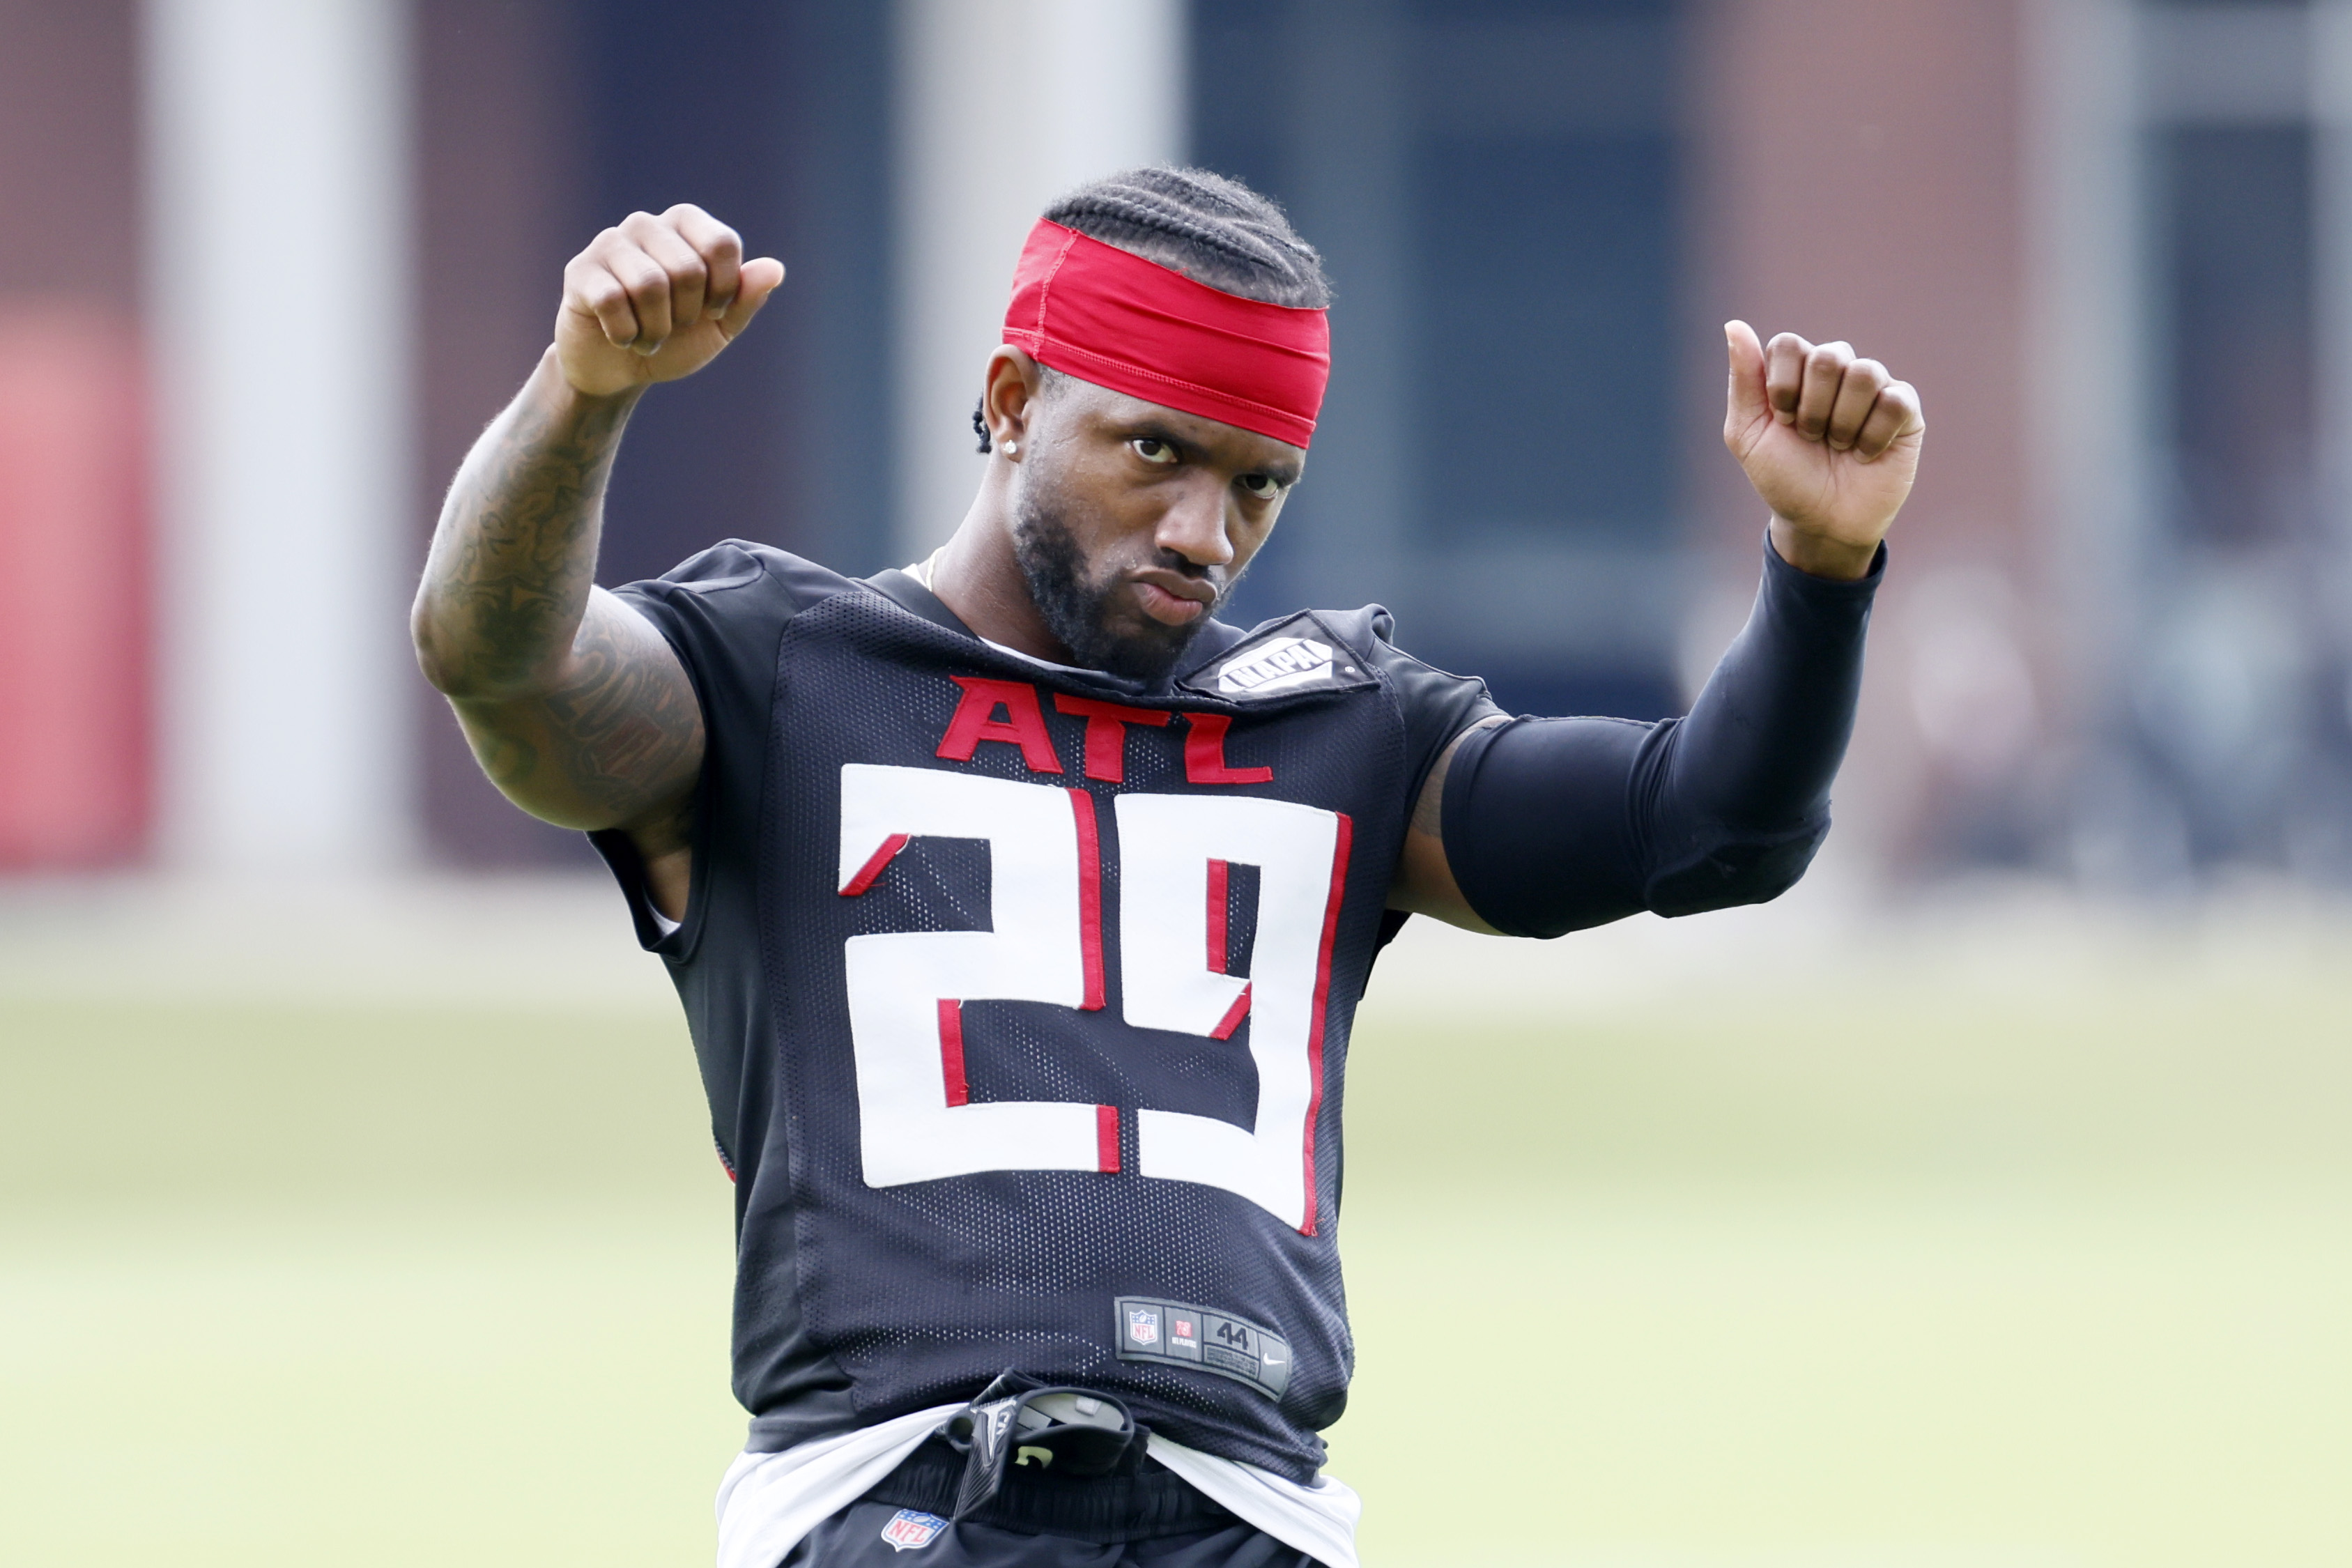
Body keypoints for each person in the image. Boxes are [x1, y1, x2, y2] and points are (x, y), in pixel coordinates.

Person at [411, 167, 1921, 1568]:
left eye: (1258, 484)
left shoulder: (1337, 724)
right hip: (901, 1498)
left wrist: (1818, 571)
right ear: (1009, 399)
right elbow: (494, 657)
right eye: (1155, 452)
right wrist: (582, 394)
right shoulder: (782, 667)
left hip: (1244, 1513)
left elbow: (1710, 828)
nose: (1204, 530)